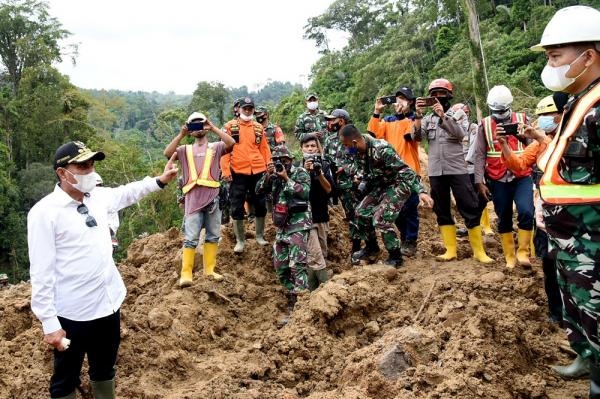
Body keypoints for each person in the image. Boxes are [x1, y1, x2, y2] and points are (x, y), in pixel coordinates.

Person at [28, 140, 178, 399]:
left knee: (104, 369)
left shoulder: (98, 197)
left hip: (108, 305)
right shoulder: (45, 213)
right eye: (82, 166)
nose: (90, 171)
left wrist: (160, 180)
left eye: (92, 164)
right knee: (65, 380)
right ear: (62, 173)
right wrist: (49, 322)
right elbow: (41, 273)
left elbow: (128, 192)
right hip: (72, 314)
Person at [530, 5, 600, 395]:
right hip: (571, 239)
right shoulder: (581, 100)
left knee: (597, 313)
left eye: (556, 56)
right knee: (578, 310)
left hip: (593, 241)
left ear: (588, 56)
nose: (551, 65)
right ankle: (585, 358)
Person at [413, 78, 494, 264]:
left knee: (469, 205)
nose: (437, 97)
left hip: (457, 168)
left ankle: (479, 251)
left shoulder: (458, 114)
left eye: (441, 93)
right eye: (433, 94)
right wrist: (417, 116)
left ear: (449, 95)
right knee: (441, 208)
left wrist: (443, 116)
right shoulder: (426, 119)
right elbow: (417, 137)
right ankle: (450, 250)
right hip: (436, 171)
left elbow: (460, 134)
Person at [340, 124, 433, 267]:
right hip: (381, 185)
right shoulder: (357, 152)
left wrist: (421, 191)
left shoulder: (381, 149)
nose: (346, 148)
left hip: (398, 184)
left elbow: (404, 170)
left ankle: (395, 256)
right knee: (361, 212)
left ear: (354, 142)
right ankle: (372, 248)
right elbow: (365, 173)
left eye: (346, 145)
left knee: (381, 219)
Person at [163, 112, 235, 286]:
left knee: (213, 235)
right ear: (189, 128)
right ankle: (186, 273)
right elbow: (167, 153)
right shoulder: (184, 150)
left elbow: (231, 143)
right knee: (191, 237)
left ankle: (209, 270)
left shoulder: (216, 146)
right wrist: (182, 134)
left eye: (200, 124)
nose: (198, 128)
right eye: (193, 125)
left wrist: (213, 127)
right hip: (193, 200)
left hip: (213, 198)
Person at [473, 85, 533, 269]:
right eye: (496, 111)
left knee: (526, 211)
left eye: (503, 110)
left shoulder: (523, 119)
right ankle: (509, 255)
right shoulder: (484, 125)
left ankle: (523, 252)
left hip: (522, 175)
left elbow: (533, 144)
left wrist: (522, 136)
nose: (499, 114)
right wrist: (479, 181)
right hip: (498, 178)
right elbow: (479, 154)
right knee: (503, 216)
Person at [256, 145, 311, 322]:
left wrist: (286, 178)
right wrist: (267, 175)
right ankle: (292, 299)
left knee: (298, 266)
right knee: (281, 266)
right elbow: (258, 191)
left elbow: (304, 193)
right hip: (281, 227)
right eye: (277, 161)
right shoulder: (272, 177)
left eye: (285, 161)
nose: (281, 164)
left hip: (298, 224)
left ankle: (301, 306)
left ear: (291, 160)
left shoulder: (300, 172)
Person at [368, 86, 422, 256]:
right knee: (396, 210)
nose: (399, 102)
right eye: (397, 98)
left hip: (409, 171)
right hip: (391, 172)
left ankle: (411, 240)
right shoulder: (388, 120)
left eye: (403, 98)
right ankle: (405, 237)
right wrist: (377, 112)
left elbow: (410, 136)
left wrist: (405, 114)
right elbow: (373, 134)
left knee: (410, 208)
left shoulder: (414, 119)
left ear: (411, 102)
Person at [322, 109, 379, 263]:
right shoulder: (329, 140)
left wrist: (345, 168)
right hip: (338, 185)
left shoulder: (354, 137)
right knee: (350, 216)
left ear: (341, 120)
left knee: (361, 215)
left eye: (332, 120)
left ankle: (368, 246)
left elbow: (360, 161)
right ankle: (359, 247)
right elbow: (326, 160)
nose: (329, 123)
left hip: (354, 184)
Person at [220, 97, 272, 253]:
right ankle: (240, 241)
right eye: (245, 108)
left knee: (261, 202)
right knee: (236, 205)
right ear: (239, 109)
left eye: (250, 108)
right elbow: (223, 150)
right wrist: (225, 170)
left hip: (257, 169)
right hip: (238, 170)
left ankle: (260, 235)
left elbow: (264, 148)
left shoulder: (258, 127)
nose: (248, 111)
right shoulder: (230, 127)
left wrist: (268, 164)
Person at [301, 133, 334, 290]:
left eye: (313, 146)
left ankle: (311, 291)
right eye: (307, 146)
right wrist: (306, 172)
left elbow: (329, 189)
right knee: (316, 255)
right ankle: (326, 290)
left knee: (320, 253)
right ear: (301, 149)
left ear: (318, 148)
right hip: (305, 217)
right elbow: (297, 190)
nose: (310, 149)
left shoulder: (325, 165)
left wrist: (318, 173)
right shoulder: (296, 167)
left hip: (321, 215)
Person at [95, 174, 121, 253]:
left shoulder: (107, 199)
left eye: (98, 186)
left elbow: (112, 224)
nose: (97, 188)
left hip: (108, 233)